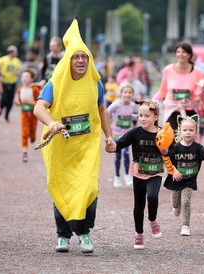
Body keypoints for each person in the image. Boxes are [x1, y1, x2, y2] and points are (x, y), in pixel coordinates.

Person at [33, 19, 114, 254]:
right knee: (63, 188)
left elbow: (102, 111)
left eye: (84, 57)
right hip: (60, 146)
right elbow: (39, 107)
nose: (80, 61)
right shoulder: (55, 83)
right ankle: (63, 235)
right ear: (68, 60)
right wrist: (52, 123)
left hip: (86, 146)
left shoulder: (95, 84)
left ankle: (85, 233)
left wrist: (109, 137)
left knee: (88, 187)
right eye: (76, 57)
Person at [106, 99, 164, 250]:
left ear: (156, 116)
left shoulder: (163, 133)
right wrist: (112, 145)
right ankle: (139, 234)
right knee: (139, 205)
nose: (143, 119)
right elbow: (120, 144)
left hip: (156, 172)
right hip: (138, 173)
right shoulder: (134, 133)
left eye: (147, 116)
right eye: (140, 115)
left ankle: (152, 220)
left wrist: (166, 151)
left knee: (152, 196)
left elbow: (172, 151)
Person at [159, 114, 204, 236]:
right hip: (176, 179)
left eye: (191, 130)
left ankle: (185, 226)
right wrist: (174, 171)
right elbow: (167, 159)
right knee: (176, 204)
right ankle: (176, 207)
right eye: (185, 130)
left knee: (186, 202)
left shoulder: (197, 148)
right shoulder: (175, 147)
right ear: (180, 132)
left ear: (196, 132)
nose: (188, 133)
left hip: (189, 180)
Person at [153, 41, 204, 131]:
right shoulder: (168, 70)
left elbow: (202, 91)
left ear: (189, 55)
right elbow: (162, 91)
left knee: (188, 139)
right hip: (172, 110)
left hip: (190, 110)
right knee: (170, 136)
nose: (180, 54)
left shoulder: (198, 72)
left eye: (184, 52)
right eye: (178, 52)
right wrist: (151, 103)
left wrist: (200, 96)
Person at [107, 84, 138, 187]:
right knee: (118, 155)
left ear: (132, 94)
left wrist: (139, 117)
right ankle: (117, 177)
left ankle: (127, 175)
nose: (127, 94)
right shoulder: (116, 104)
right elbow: (107, 113)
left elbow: (132, 117)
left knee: (126, 154)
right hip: (116, 134)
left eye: (130, 92)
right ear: (121, 93)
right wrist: (109, 126)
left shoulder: (132, 105)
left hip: (126, 134)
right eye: (125, 92)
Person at [14, 69, 44, 162]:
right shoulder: (20, 90)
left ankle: (33, 137)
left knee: (32, 131)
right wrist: (17, 103)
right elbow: (20, 102)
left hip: (33, 115)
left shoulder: (35, 89)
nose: (24, 78)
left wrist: (30, 102)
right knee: (24, 133)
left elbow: (39, 102)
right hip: (24, 115)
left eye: (26, 77)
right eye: (23, 77)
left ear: (31, 79)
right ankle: (24, 152)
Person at [0, 45, 21, 122]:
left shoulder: (16, 61)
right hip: (4, 82)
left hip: (12, 82)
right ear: (11, 52)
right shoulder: (3, 59)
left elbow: (18, 70)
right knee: (4, 98)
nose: (16, 53)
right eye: (15, 51)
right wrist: (0, 74)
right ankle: (0, 108)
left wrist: (17, 72)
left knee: (10, 100)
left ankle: (7, 115)